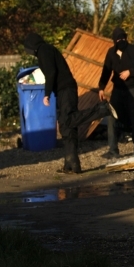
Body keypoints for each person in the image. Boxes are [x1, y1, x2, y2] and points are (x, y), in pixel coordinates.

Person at [23, 33, 117, 174]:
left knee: (68, 120)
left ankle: (102, 109)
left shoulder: (44, 50)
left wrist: (46, 94)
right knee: (67, 127)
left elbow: (51, 72)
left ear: (31, 46)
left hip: (65, 89)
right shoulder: (47, 49)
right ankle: (72, 164)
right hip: (64, 89)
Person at [98, 27, 134, 157]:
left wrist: (130, 72)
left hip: (132, 89)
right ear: (114, 40)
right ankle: (113, 150)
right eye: (118, 39)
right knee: (112, 117)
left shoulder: (133, 50)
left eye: (123, 38)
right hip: (118, 89)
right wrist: (101, 87)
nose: (121, 41)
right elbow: (106, 70)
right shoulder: (111, 52)